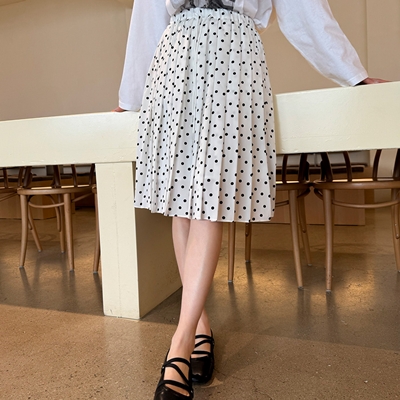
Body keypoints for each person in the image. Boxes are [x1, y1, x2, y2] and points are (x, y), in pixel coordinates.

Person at [116, 1, 386, 399]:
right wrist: (130, 98)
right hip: (172, 60)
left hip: (233, 55)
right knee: (182, 204)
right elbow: (148, 15)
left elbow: (303, 8)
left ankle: (179, 347)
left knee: (208, 201)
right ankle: (200, 327)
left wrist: (352, 74)